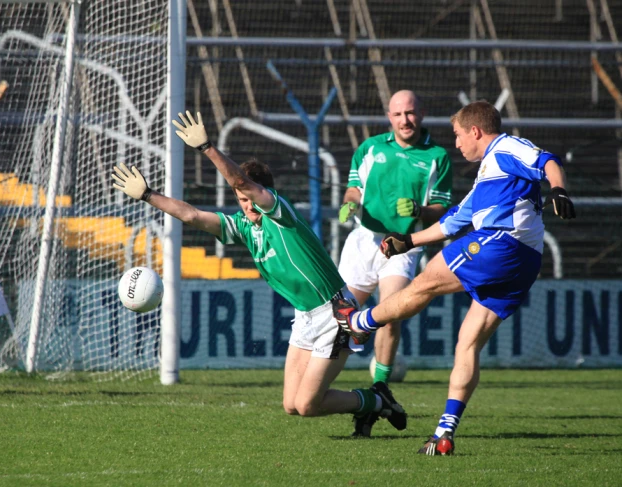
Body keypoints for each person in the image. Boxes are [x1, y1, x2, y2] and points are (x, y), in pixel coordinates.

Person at [111, 110, 407, 430]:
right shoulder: (243, 226)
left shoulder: (280, 214)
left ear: (263, 194)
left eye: (250, 198)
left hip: (336, 313)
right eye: (241, 200)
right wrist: (147, 195)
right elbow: (193, 216)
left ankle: (378, 402)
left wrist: (207, 147)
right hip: (306, 316)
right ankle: (368, 404)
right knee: (291, 405)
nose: (247, 206)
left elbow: (241, 181)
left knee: (307, 405)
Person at [338, 101, 576, 455]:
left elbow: (548, 161)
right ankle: (443, 434)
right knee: (467, 343)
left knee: (423, 284)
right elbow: (452, 223)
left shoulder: (505, 148)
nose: (457, 142)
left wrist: (558, 189)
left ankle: (358, 320)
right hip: (523, 262)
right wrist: (408, 241)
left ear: (475, 131)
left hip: (500, 244)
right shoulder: (486, 178)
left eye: (458, 135)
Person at [337, 90, 453, 437]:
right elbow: (353, 188)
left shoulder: (437, 156)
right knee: (339, 318)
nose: (405, 120)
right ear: (389, 116)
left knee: (390, 312)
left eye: (411, 113)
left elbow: (441, 207)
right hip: (362, 241)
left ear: (422, 113)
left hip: (402, 245)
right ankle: (330, 390)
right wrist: (350, 205)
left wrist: (420, 211)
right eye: (398, 114)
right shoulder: (370, 148)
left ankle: (380, 388)